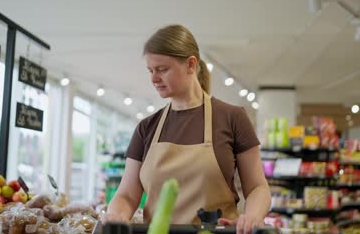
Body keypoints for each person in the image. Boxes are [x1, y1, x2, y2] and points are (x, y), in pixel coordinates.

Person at [102, 24, 270, 234]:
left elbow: (257, 187)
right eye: (151, 70)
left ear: (191, 64)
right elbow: (127, 194)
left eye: (162, 69)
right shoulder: (146, 128)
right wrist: (117, 214)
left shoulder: (232, 118)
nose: (154, 78)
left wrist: (253, 215)